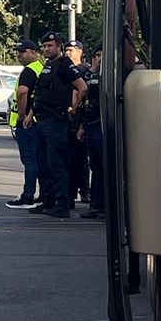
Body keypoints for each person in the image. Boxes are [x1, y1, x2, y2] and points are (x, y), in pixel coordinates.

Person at [27, 31, 88, 219]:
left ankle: (61, 204)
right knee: (44, 164)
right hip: (42, 119)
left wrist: (73, 108)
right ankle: (48, 201)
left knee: (56, 164)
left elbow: (82, 87)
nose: (46, 49)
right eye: (44, 46)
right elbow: (40, 93)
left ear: (58, 46)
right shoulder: (48, 66)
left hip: (56, 120)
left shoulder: (64, 66)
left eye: (50, 46)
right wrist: (30, 114)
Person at [6, 40, 45, 208]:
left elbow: (22, 92)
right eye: (18, 51)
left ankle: (27, 195)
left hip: (28, 122)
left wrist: (22, 116)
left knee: (29, 160)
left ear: (33, 53)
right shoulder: (41, 68)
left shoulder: (29, 70)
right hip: (38, 120)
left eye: (23, 51)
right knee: (39, 160)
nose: (19, 55)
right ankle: (43, 194)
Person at [78, 44, 105, 220]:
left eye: (102, 55)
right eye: (96, 55)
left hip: (103, 125)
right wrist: (81, 127)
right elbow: (84, 92)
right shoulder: (89, 74)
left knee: (104, 166)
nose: (99, 59)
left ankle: (104, 205)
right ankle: (96, 206)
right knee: (95, 166)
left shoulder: (111, 75)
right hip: (90, 123)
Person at [64, 40, 91, 208]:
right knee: (68, 159)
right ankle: (70, 193)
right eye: (66, 50)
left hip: (80, 118)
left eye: (71, 50)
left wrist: (75, 109)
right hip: (67, 120)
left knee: (82, 159)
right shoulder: (64, 70)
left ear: (80, 52)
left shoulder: (85, 70)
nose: (68, 53)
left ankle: (85, 191)